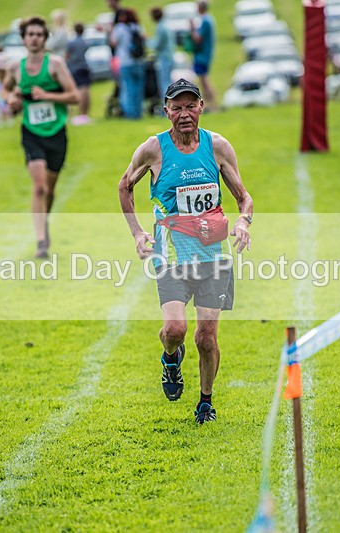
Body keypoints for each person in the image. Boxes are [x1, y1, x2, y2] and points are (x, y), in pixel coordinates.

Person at [117, 78, 254, 425]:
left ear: (201, 107)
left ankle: (205, 403)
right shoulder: (153, 149)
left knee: (206, 338)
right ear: (166, 111)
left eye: (190, 105)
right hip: (173, 258)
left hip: (213, 257)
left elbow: (244, 198)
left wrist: (242, 223)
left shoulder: (218, 146)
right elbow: (124, 186)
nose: (184, 114)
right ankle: (170, 358)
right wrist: (137, 234)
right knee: (175, 330)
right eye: (176, 107)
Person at [5, 16, 80, 258]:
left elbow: (75, 97)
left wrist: (47, 95)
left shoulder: (55, 64)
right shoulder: (16, 68)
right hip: (31, 132)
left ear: (45, 38)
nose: (35, 38)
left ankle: (43, 222)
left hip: (56, 132)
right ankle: (41, 240)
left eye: (39, 34)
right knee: (38, 187)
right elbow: (5, 88)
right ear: (23, 39)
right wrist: (11, 98)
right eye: (30, 34)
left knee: (49, 190)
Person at [110, 8, 146, 119]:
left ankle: (130, 113)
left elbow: (113, 42)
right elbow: (145, 39)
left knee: (128, 88)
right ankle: (138, 112)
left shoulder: (120, 28)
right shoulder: (137, 27)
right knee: (138, 88)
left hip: (125, 62)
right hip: (139, 61)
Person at [189, 1, 217, 109]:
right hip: (205, 54)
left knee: (204, 80)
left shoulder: (205, 21)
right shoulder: (209, 19)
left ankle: (212, 105)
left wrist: (192, 28)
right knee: (203, 80)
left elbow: (198, 39)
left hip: (202, 55)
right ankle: (209, 105)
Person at [66, 22, 92, 125]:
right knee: (85, 90)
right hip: (84, 66)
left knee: (80, 91)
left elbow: (67, 55)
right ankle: (84, 113)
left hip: (75, 67)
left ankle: (80, 114)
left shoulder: (72, 42)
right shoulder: (84, 42)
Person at [149, 7, 174, 102]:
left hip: (164, 58)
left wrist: (146, 40)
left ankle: (167, 107)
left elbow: (157, 45)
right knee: (168, 82)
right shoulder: (166, 25)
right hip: (169, 57)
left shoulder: (160, 27)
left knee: (164, 84)